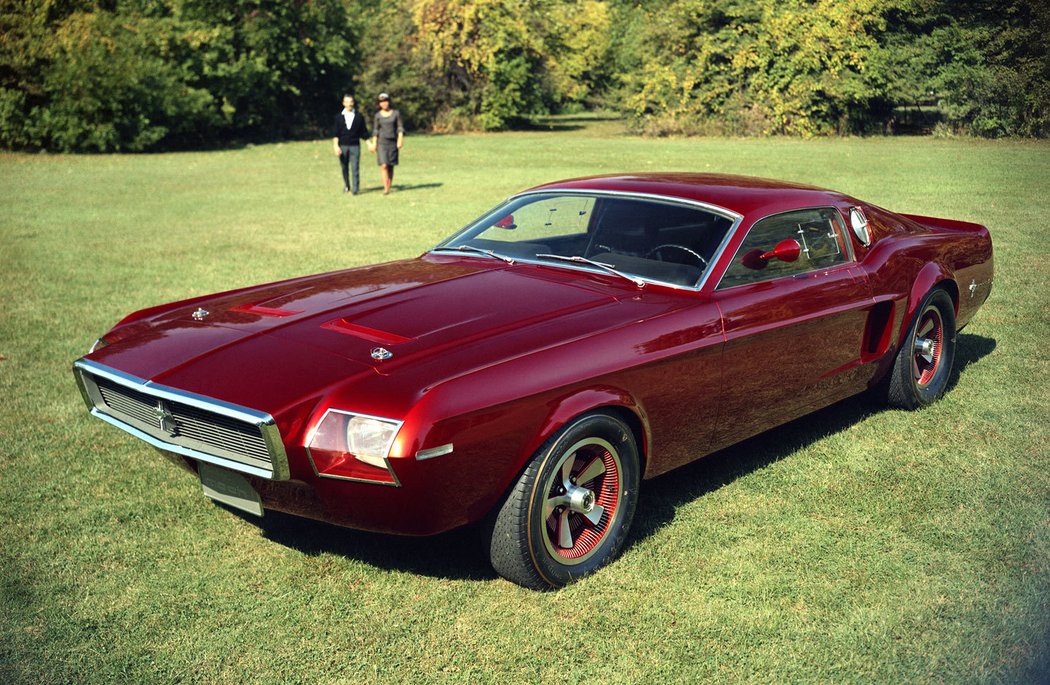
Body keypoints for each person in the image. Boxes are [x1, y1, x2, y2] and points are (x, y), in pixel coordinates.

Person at [332, 94, 369, 194]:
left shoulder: (359, 116)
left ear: (353, 103)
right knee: (344, 167)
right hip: (342, 146)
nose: (349, 104)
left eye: (351, 102)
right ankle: (347, 185)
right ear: (343, 103)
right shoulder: (338, 117)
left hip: (355, 146)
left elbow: (364, 132)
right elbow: (336, 133)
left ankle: (355, 189)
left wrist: (369, 143)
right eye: (347, 102)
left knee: (355, 167)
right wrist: (336, 146)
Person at [369, 92, 404, 195]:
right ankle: (386, 188)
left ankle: (389, 184)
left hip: (393, 142)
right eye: (381, 102)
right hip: (382, 143)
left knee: (390, 165)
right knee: (384, 165)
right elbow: (375, 130)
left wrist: (400, 139)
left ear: (389, 102)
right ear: (379, 104)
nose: (384, 104)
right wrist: (374, 143)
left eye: (385, 101)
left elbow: (400, 127)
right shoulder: (377, 116)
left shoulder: (396, 113)